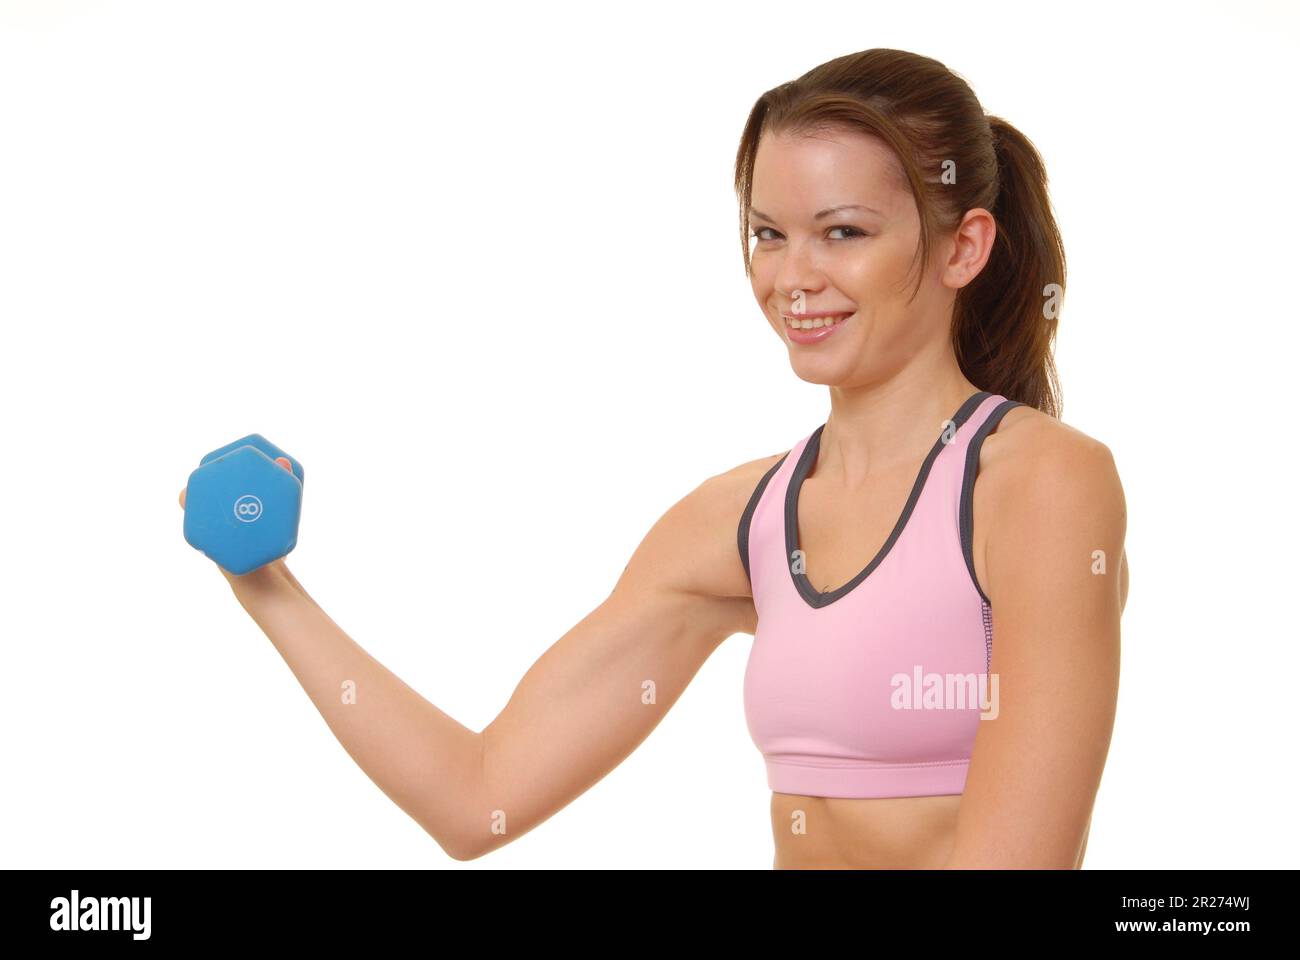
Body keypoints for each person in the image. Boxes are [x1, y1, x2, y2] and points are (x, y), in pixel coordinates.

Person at [177, 48, 1127, 869]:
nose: (792, 277)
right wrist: (263, 581)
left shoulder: (1042, 485)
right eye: (768, 233)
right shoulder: (740, 521)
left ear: (965, 247)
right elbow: (478, 797)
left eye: (843, 232)